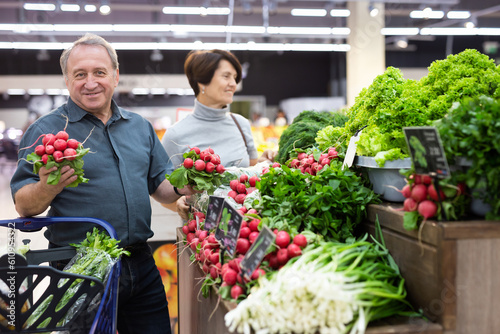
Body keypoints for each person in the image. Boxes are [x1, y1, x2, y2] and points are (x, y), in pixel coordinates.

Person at [10, 33, 193, 334]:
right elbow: (24, 205)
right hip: (80, 267)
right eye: (79, 74)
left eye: (99, 72)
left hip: (140, 263)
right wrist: (48, 187)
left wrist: (184, 186)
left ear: (116, 76)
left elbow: (159, 186)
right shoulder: (46, 132)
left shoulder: (139, 127)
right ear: (67, 81)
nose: (90, 82)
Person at [161, 49, 275, 219]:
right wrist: (177, 204)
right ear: (202, 82)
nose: (233, 83)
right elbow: (164, 192)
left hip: (243, 227)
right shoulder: (175, 135)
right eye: (226, 76)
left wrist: (262, 162)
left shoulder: (241, 124)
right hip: (203, 237)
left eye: (235, 78)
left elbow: (249, 173)